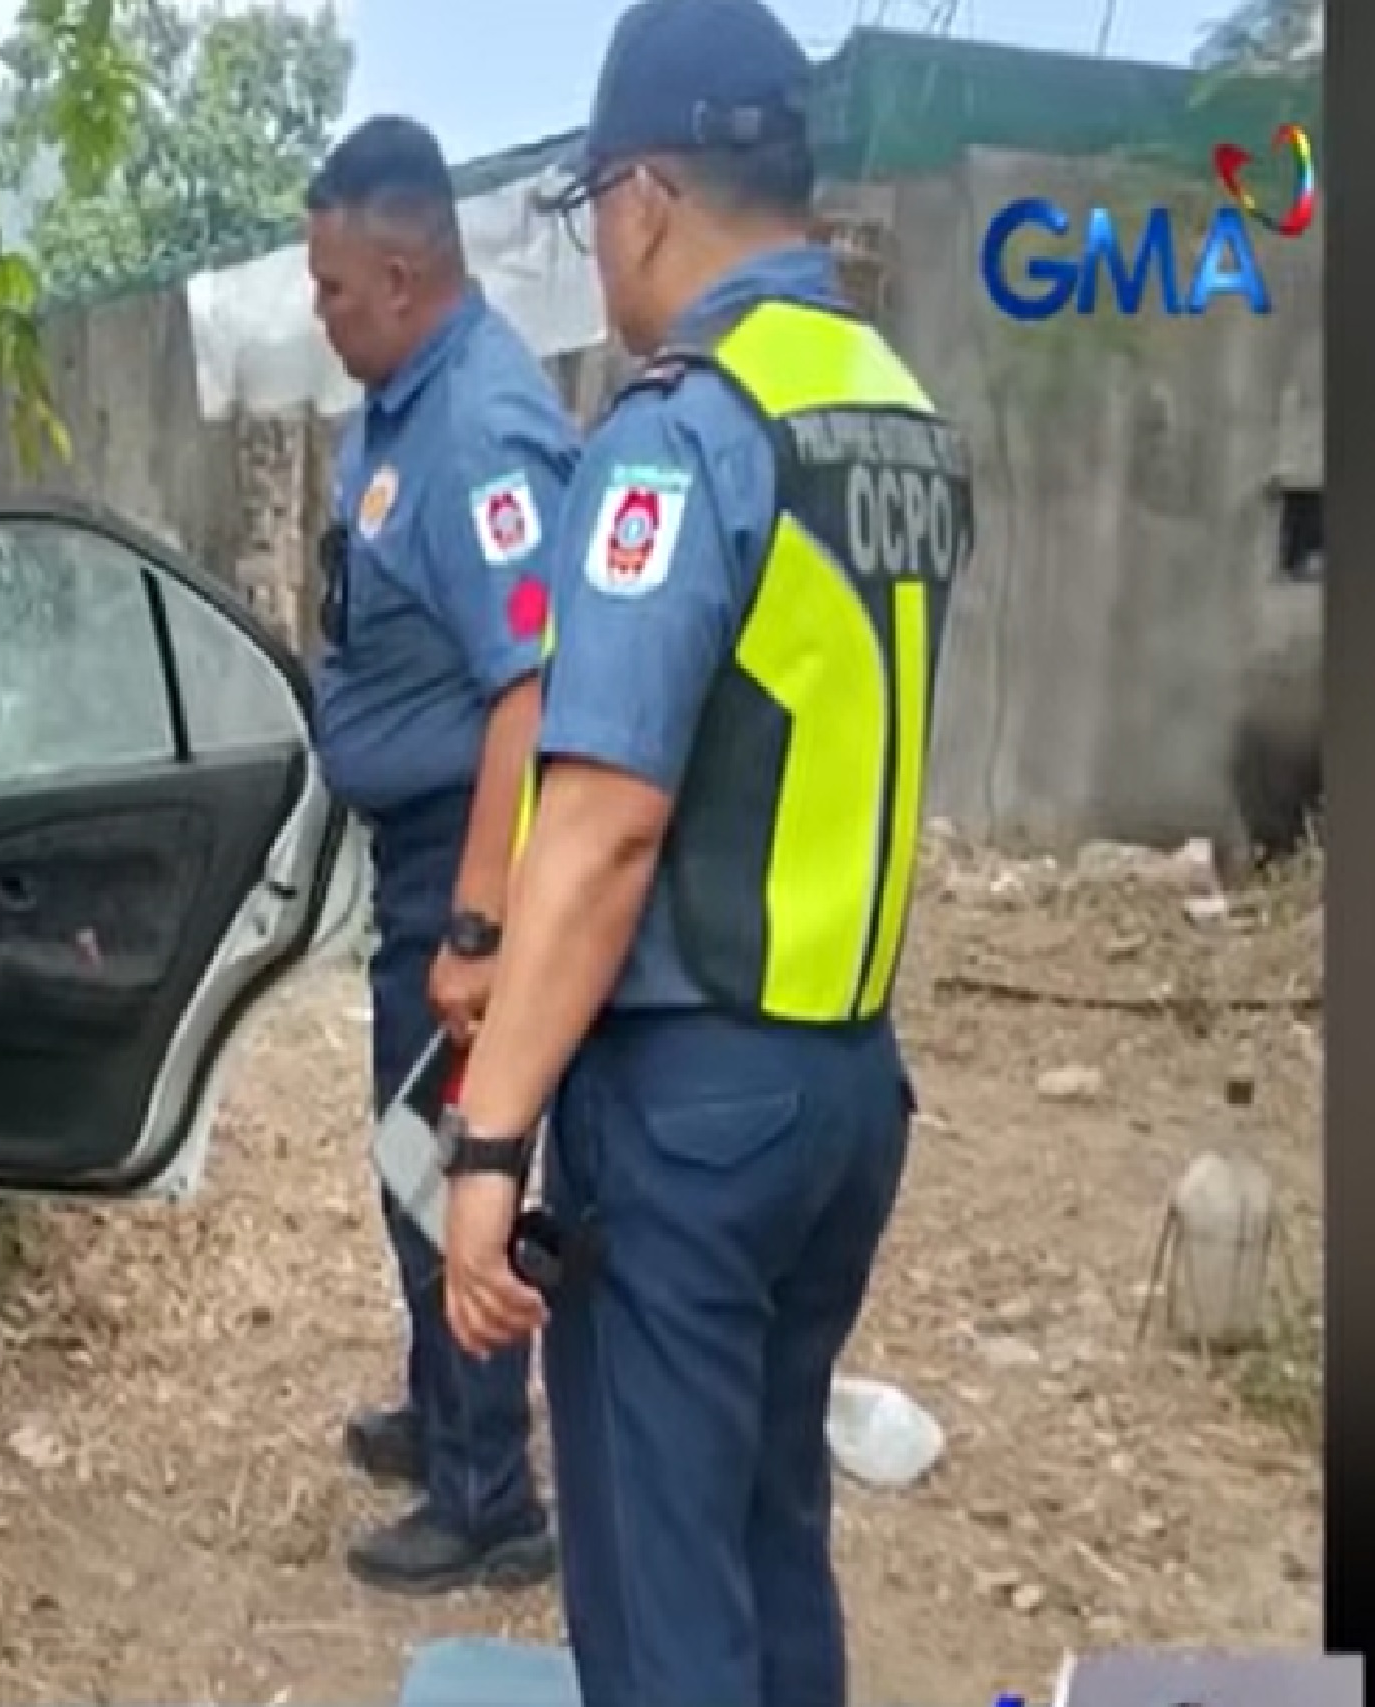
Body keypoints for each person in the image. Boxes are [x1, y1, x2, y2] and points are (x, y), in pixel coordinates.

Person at [431, 1, 973, 1703]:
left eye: (595, 210)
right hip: (843, 1091)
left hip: (690, 1117)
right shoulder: (898, 414)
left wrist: (486, 1145)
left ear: (643, 197)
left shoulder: (679, 431)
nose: (599, 251)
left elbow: (598, 830)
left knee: (661, 1613)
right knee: (765, 1542)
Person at [301, 114, 577, 1596]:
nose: (320, 311)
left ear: (403, 275)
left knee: (447, 1165)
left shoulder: (478, 429)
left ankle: (492, 1503)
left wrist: (477, 928)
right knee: (409, 1160)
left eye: (335, 288)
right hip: (410, 856)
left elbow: (529, 694)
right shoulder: (397, 403)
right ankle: (446, 1414)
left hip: (461, 872)